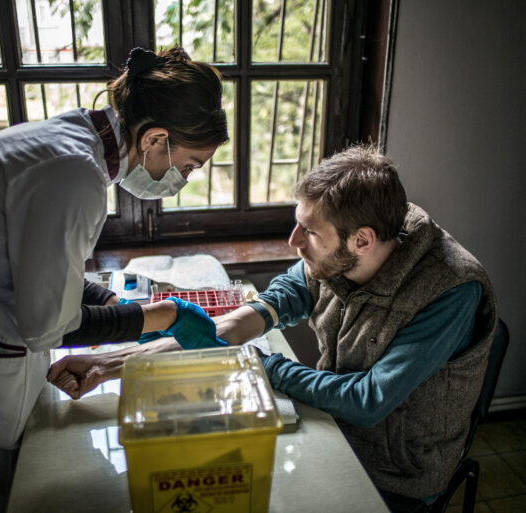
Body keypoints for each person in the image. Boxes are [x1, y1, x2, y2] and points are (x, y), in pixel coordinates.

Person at [0, 47, 229, 513]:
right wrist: (162, 315)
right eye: (189, 165)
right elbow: (51, 325)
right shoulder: (73, 175)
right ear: (154, 139)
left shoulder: (70, 140)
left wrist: (113, 299)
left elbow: (41, 267)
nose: (184, 179)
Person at [48, 145, 498, 513]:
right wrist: (111, 363)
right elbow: (243, 320)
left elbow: (367, 401)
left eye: (309, 233)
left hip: (395, 473)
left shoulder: (450, 291)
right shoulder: (358, 235)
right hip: (335, 429)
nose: (293, 242)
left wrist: (257, 365)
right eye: (296, 223)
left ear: (361, 241)